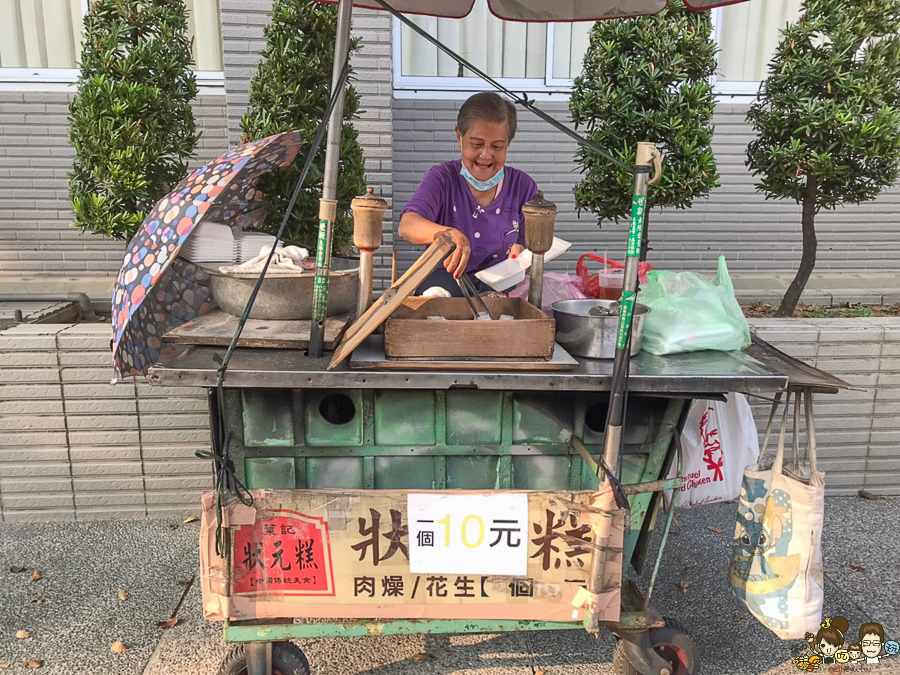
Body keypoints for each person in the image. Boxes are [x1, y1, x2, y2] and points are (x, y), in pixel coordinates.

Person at [399, 91, 538, 297]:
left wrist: (522, 255)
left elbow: (532, 249)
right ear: (459, 137)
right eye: (477, 144)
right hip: (445, 283)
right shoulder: (442, 179)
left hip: (500, 289)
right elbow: (407, 225)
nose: (485, 155)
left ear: (508, 144)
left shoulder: (523, 186)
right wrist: (447, 235)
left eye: (497, 146)